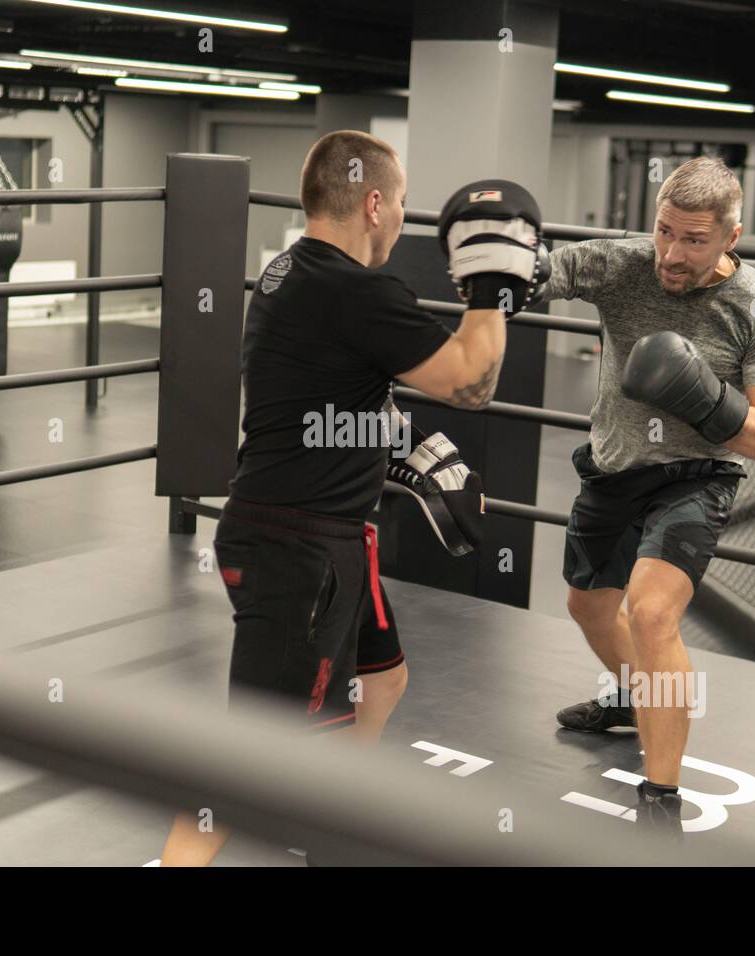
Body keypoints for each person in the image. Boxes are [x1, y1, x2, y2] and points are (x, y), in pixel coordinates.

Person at [159, 130, 543, 865]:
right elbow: (471, 381)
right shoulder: (356, 291)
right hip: (300, 554)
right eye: (398, 205)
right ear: (373, 203)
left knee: (386, 679)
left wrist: (404, 452)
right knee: (245, 762)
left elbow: (327, 391)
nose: (400, 221)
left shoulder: (286, 275)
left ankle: (336, 817)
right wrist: (495, 288)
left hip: (319, 538)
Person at [537, 156, 755, 835]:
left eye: (693, 240)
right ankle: (631, 698)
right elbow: (543, 272)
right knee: (589, 607)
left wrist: (707, 401)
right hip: (614, 469)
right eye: (663, 233)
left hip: (695, 478)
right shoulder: (621, 264)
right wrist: (501, 266)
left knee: (651, 614)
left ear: (730, 239)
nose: (672, 254)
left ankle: (661, 796)